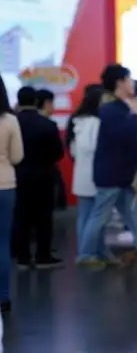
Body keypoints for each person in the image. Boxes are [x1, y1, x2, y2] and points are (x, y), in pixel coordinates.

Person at [77, 64, 137, 280]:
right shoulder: (110, 110)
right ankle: (85, 254)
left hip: (127, 176)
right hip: (111, 176)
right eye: (129, 79)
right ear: (120, 82)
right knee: (100, 217)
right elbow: (124, 136)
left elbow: (134, 140)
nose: (133, 83)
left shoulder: (124, 108)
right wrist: (135, 115)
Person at [13, 86, 64, 269]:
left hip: (18, 175)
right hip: (44, 176)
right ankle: (43, 256)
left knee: (21, 217)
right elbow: (58, 153)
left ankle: (23, 257)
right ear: (36, 101)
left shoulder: (13, 123)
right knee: (44, 217)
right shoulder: (48, 125)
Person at [69, 84, 104, 256]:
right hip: (96, 174)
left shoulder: (77, 121)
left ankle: (87, 251)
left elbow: (73, 150)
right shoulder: (96, 123)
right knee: (97, 217)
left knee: (84, 216)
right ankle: (89, 252)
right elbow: (95, 147)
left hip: (81, 173)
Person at [0, 75, 23, 312]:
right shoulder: (10, 120)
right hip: (4, 185)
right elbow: (17, 156)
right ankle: (3, 296)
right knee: (2, 243)